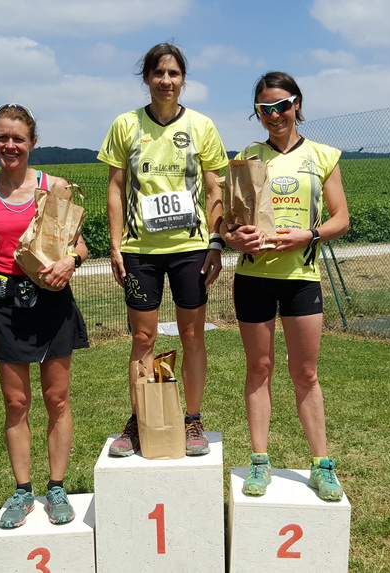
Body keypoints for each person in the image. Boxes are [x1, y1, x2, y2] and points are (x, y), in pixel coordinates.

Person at [97, 43, 229, 457]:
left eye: (174, 74)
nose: (166, 81)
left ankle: (192, 420)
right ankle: (140, 421)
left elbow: (214, 189)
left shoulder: (202, 126)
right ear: (147, 79)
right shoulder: (126, 125)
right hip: (140, 251)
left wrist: (215, 242)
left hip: (190, 249)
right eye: (158, 74)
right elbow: (116, 188)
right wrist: (115, 246)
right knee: (143, 337)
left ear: (183, 79)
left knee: (192, 336)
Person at [223, 72, 349, 501]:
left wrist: (308, 235)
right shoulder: (246, 156)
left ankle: (322, 465)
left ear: (297, 104)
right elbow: (227, 221)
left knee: (306, 373)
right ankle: (260, 462)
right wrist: (234, 236)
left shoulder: (322, 155)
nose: (274, 115)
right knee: (259, 369)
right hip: (254, 277)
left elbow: (341, 219)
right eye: (265, 109)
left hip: (301, 279)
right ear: (257, 113)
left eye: (282, 105)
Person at [0, 103, 89, 527]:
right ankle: (23, 492)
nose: (10, 145)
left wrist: (70, 261)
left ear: (33, 142)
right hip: (4, 307)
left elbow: (80, 245)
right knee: (16, 402)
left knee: (57, 399)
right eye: (2, 137)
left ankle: (57, 487)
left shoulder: (54, 186)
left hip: (52, 303)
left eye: (18, 138)